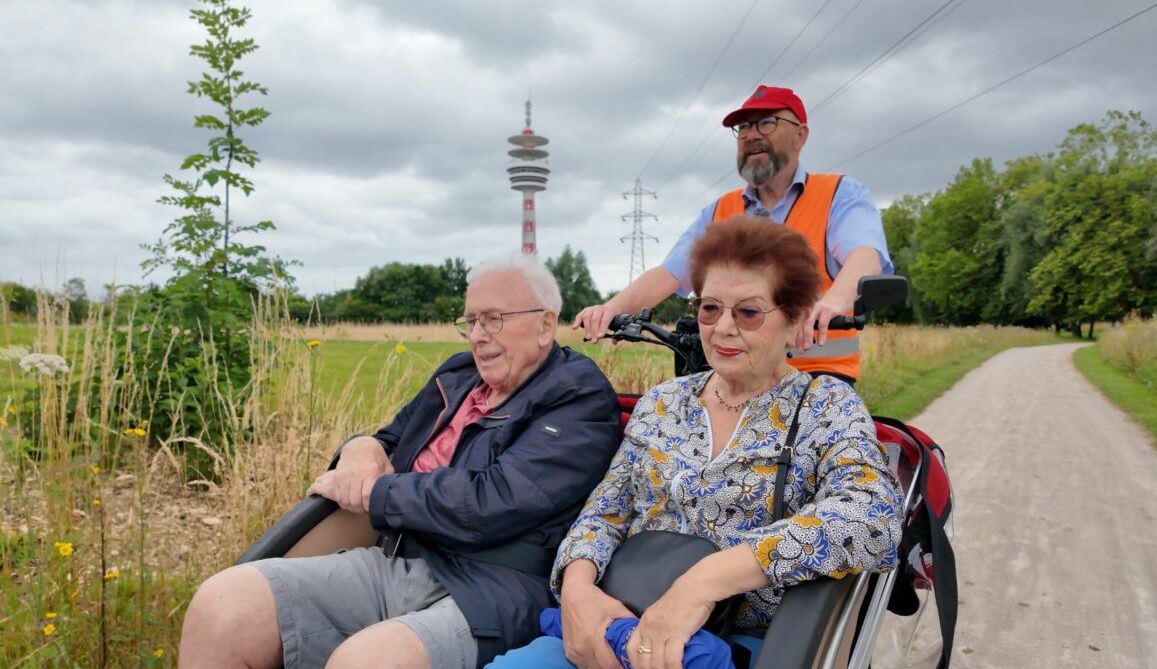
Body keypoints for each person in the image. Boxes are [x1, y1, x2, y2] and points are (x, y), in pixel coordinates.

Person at [489, 217, 903, 669]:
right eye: (710, 309)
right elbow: (605, 511)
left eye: (748, 312)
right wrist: (578, 592)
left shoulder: (825, 406)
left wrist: (704, 581)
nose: (722, 328)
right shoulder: (662, 403)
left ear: (795, 320)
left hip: (735, 643)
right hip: (622, 617)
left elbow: (872, 517)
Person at [178, 252, 623, 669]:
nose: (477, 335)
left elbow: (495, 501)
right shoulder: (457, 375)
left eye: (494, 319)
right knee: (222, 604)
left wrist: (375, 492)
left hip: (494, 586)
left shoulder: (578, 395)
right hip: (398, 556)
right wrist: (358, 447)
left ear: (546, 324)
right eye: (469, 321)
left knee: (366, 662)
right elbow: (391, 440)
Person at [575, 85, 893, 384]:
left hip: (816, 376)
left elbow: (865, 256)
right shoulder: (719, 211)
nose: (751, 135)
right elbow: (669, 273)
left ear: (800, 136)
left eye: (766, 123)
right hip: (735, 377)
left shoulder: (838, 194)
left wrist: (834, 303)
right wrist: (612, 309)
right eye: (743, 128)